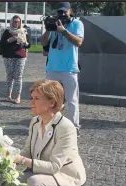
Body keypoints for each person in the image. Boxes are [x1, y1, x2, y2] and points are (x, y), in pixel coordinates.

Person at [14, 79, 86, 186]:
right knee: (14, 183)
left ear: (52, 102)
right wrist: (11, 159)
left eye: (37, 98)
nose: (31, 102)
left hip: (67, 177)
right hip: (44, 172)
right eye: (31, 98)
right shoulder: (35, 121)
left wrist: (22, 160)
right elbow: (28, 149)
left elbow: (54, 167)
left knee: (35, 183)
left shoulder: (66, 127)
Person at [40, 2, 84, 137]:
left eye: (65, 12)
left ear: (70, 11)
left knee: (71, 100)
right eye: (60, 12)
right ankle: (50, 124)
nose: (62, 14)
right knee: (50, 99)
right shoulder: (54, 23)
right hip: (52, 68)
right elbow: (43, 42)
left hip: (69, 69)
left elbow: (79, 42)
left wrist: (64, 31)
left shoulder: (76, 23)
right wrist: (48, 28)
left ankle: (74, 127)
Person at [0, 15, 31, 104]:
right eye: (15, 21)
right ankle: (9, 95)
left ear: (20, 22)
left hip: (20, 56)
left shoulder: (24, 31)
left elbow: (29, 45)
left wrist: (25, 43)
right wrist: (10, 39)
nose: (16, 23)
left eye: (18, 22)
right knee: (10, 76)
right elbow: (2, 44)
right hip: (8, 56)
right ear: (12, 22)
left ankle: (18, 96)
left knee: (18, 76)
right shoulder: (7, 31)